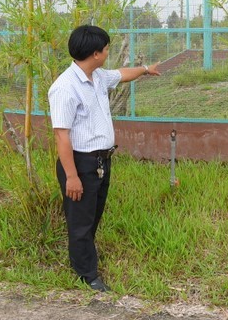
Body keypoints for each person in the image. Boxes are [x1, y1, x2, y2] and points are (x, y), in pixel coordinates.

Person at [47, 24, 160, 292]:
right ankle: (87, 275)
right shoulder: (65, 87)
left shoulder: (97, 76)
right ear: (96, 53)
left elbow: (122, 74)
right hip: (80, 164)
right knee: (80, 221)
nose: (108, 52)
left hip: (101, 161)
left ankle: (84, 259)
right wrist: (72, 176)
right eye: (107, 48)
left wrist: (145, 70)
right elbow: (62, 137)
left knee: (92, 216)